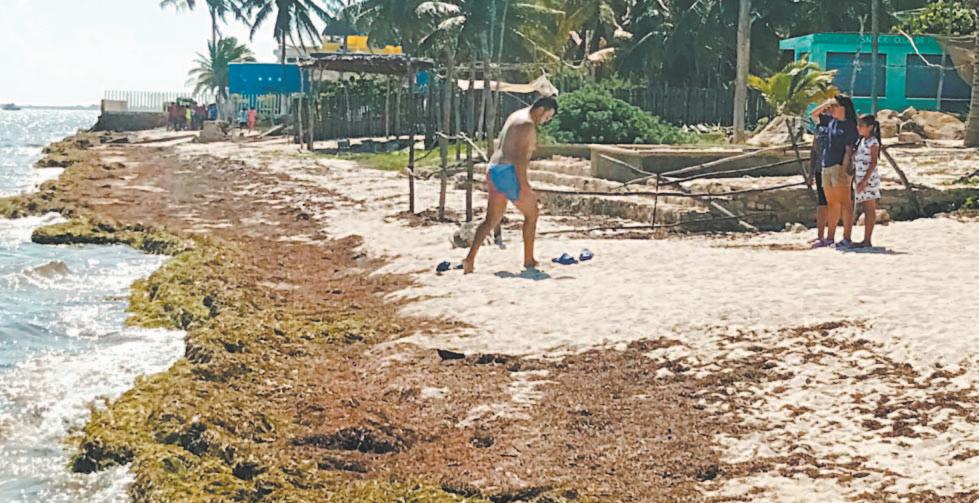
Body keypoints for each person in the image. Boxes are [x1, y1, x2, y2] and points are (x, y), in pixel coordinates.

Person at [462, 96, 558, 274]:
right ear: (541, 110)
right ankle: (528, 260)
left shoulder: (517, 115)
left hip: (495, 169)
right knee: (532, 213)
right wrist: (524, 185)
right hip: (508, 172)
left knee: (491, 219)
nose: (546, 121)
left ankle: (470, 259)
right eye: (547, 117)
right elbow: (519, 158)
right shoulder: (527, 124)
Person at [809, 94, 858, 248]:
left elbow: (849, 150)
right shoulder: (831, 121)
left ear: (843, 108)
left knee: (845, 202)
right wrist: (826, 104)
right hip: (827, 165)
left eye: (835, 106)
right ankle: (830, 237)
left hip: (839, 166)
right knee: (832, 203)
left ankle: (847, 237)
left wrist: (845, 169)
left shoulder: (850, 125)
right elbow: (814, 114)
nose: (832, 109)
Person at [853, 114, 882, 248]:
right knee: (864, 208)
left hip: (869, 180)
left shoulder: (873, 143)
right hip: (859, 178)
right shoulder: (861, 141)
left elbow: (873, 163)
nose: (858, 128)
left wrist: (865, 180)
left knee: (869, 209)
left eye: (861, 126)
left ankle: (867, 239)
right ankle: (865, 239)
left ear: (869, 127)